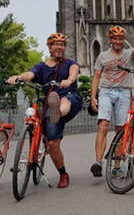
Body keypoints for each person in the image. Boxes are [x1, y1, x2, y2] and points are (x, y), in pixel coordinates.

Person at [7, 32, 83, 188]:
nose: (59, 47)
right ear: (49, 47)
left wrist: (68, 81)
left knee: (63, 100)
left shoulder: (70, 63)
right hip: (50, 103)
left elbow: (74, 73)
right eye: (56, 44)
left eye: (62, 45)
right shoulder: (41, 67)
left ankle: (58, 112)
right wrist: (17, 77)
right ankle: (63, 174)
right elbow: (29, 74)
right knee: (53, 143)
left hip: (70, 97)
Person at [89, 24, 134, 178]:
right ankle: (98, 162)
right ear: (110, 39)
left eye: (120, 39)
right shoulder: (103, 56)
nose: (118, 41)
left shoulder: (129, 54)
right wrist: (93, 97)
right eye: (115, 39)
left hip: (124, 93)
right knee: (103, 125)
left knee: (121, 131)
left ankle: (116, 167)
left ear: (123, 40)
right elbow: (96, 77)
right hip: (106, 92)